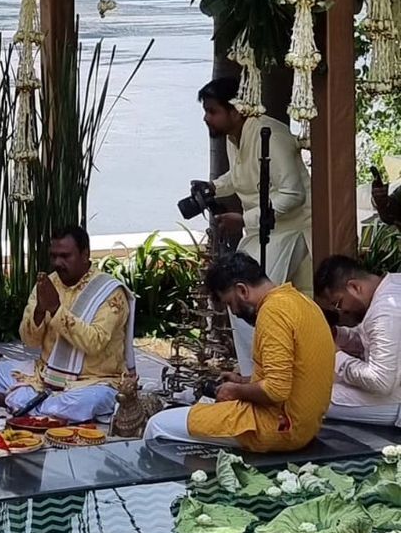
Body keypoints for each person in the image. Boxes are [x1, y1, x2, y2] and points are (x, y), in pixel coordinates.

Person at [144, 252, 333, 452]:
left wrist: (235, 391)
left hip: (278, 427)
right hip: (306, 426)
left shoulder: (273, 312)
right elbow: (293, 376)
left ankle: (168, 483)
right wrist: (243, 381)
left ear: (242, 290)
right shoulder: (301, 301)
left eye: (229, 303)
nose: (233, 312)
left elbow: (276, 390)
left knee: (157, 425)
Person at [193, 77, 312, 376]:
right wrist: (213, 187)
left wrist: (245, 219)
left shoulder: (270, 134)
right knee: (245, 299)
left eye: (212, 111)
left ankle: (262, 376)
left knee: (245, 296)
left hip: (293, 229)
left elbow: (293, 194)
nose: (206, 118)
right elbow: (240, 175)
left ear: (236, 110)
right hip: (265, 231)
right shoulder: (236, 136)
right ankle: (257, 374)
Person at [0, 226, 136, 423]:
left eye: (65, 256)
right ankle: (35, 407)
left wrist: (57, 310)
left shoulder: (110, 292)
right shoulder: (49, 283)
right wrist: (40, 310)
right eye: (54, 256)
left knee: (88, 401)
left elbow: (94, 343)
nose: (58, 263)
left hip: (92, 381)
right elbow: (29, 341)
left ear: (85, 254)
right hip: (46, 375)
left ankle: (16, 402)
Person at [315, 254, 401, 427]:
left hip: (395, 398)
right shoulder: (393, 283)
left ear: (354, 287)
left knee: (312, 396)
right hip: (394, 385)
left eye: (338, 303)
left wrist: (337, 356)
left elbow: (381, 381)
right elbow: (372, 339)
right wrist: (337, 334)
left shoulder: (385, 312)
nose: (342, 311)